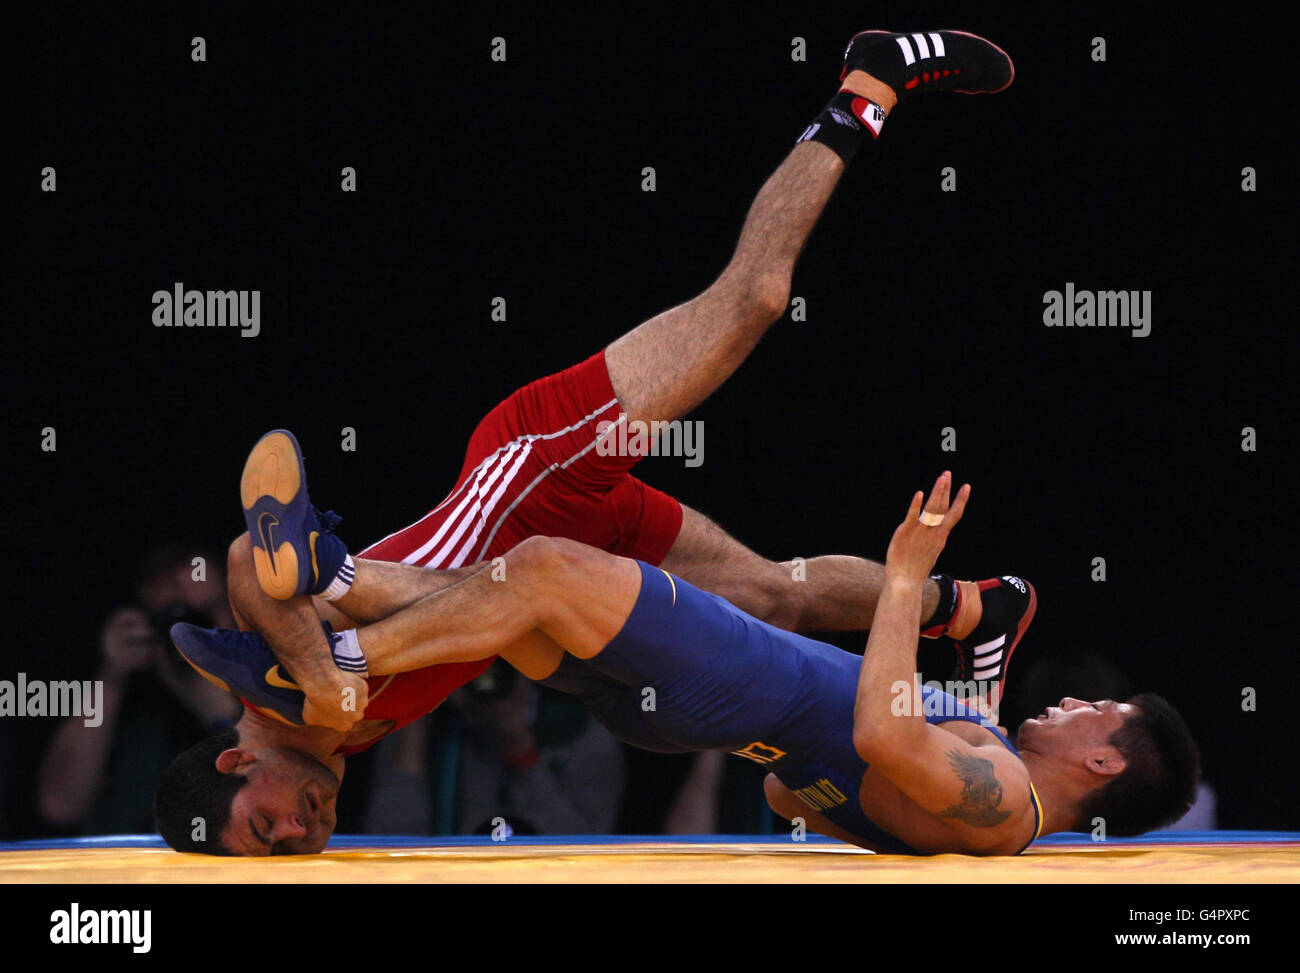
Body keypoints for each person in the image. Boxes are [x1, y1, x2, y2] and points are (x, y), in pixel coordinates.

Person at [158, 27, 1037, 855]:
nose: (299, 833)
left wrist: (318, 676)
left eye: (263, 827)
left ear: (236, 762)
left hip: (532, 474)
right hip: (561, 566)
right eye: (287, 853)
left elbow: (246, 557)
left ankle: (870, 78)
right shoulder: (323, 728)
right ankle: (972, 605)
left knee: (755, 299)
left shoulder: (267, 683)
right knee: (777, 598)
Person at [178, 473, 1201, 855]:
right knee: (516, 611)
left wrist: (903, 582)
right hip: (706, 711)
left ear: (1107, 763)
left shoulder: (1005, 801)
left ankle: (325, 673)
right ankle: (331, 577)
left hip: (746, 681)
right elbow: (790, 792)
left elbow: (880, 734)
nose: (1072, 700)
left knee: (539, 571)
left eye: (1095, 709)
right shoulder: (986, 797)